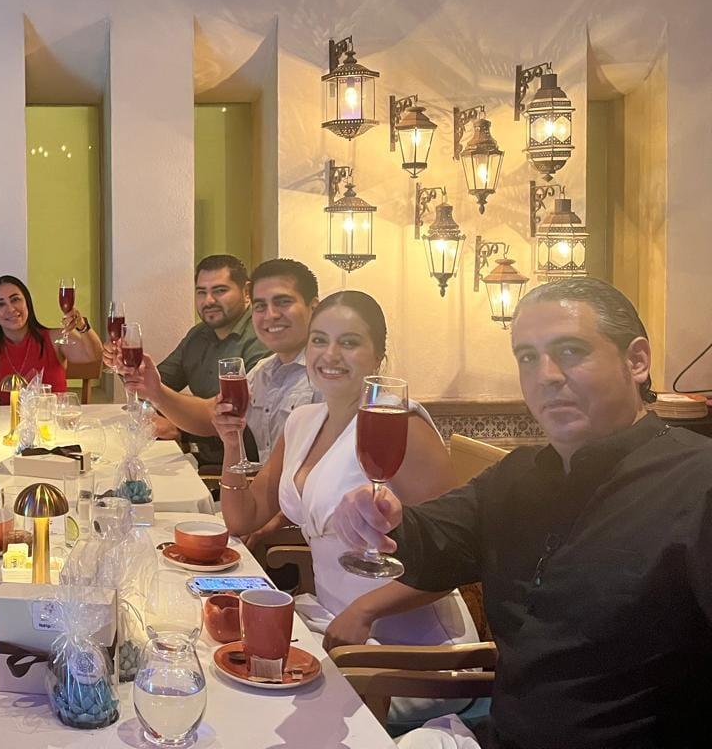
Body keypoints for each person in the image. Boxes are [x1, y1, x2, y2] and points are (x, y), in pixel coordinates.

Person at [333, 278, 712, 749]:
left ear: (636, 361)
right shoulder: (518, 476)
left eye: (570, 351)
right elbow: (431, 541)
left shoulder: (698, 485)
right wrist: (381, 518)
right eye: (528, 357)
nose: (545, 375)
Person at [216, 289, 475, 690]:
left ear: (378, 357)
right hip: (331, 625)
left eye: (349, 342)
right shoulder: (302, 421)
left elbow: (456, 554)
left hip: (409, 656)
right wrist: (231, 441)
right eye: (319, 340)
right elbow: (242, 518)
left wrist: (364, 610)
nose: (330, 355)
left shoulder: (398, 424)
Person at [116, 258, 318, 464]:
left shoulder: (324, 374)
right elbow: (213, 414)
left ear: (314, 307)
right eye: (260, 306)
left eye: (283, 302)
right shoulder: (264, 371)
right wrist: (155, 391)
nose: (271, 315)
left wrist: (175, 425)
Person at [148, 254, 271, 464]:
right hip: (197, 455)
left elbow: (229, 415)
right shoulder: (198, 335)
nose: (209, 301)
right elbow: (157, 384)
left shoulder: (261, 339)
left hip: (239, 466)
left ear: (246, 292)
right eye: (201, 292)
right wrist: (129, 370)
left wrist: (179, 428)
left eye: (220, 291)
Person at [0, 275, 102, 395]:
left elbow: (93, 356)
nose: (11, 309)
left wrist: (82, 325)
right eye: (0, 304)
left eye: (15, 299)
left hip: (53, 413)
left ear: (27, 302)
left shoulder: (56, 339)